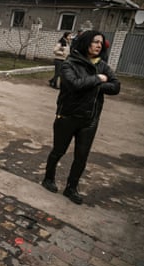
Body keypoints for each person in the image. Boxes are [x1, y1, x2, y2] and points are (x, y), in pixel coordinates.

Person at [41, 30, 120, 205]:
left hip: (90, 119)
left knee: (81, 156)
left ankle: (71, 188)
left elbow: (115, 86)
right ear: (85, 43)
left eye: (101, 42)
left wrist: (94, 84)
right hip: (67, 116)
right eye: (95, 42)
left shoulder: (103, 65)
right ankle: (48, 178)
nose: (99, 45)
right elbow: (73, 85)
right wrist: (98, 79)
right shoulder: (70, 63)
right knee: (58, 151)